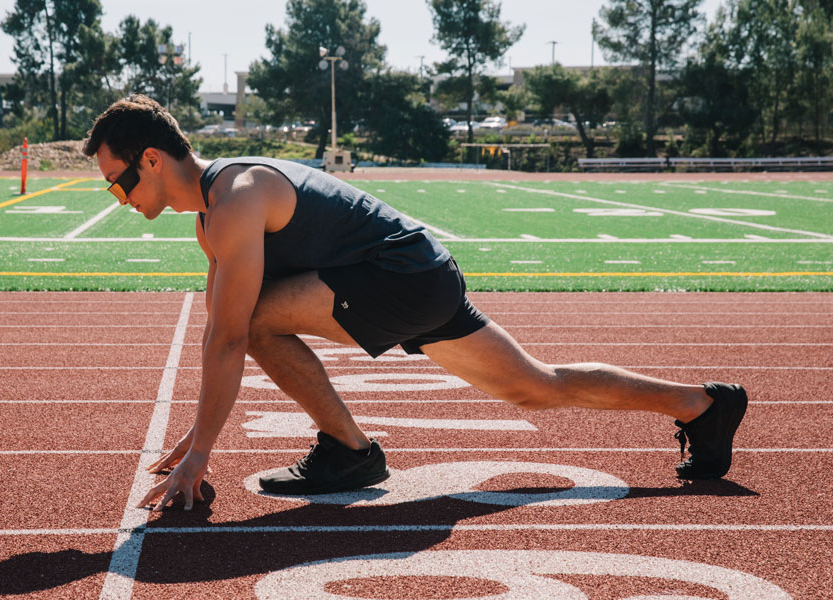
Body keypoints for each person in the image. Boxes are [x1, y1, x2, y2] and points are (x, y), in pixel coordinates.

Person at [81, 95, 748, 512]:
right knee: (534, 388)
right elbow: (224, 334)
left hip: (401, 279)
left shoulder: (237, 197)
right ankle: (701, 404)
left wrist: (201, 455)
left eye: (117, 184)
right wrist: (201, 436)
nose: (119, 199)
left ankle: (350, 451)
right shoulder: (212, 219)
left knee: (248, 319)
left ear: (152, 159)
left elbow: (229, 336)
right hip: (415, 277)